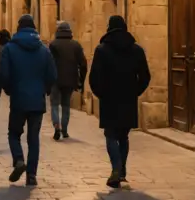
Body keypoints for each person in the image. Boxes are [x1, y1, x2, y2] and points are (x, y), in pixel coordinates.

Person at [89, 15, 151, 188]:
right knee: (123, 136)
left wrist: (101, 94)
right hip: (128, 99)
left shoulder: (102, 50)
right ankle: (122, 170)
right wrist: (135, 92)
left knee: (110, 135)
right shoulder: (137, 50)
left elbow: (94, 78)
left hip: (109, 99)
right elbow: (145, 76)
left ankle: (116, 169)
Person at [0, 14, 57, 187]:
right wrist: (44, 90)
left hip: (18, 99)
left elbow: (4, 74)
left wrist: (9, 90)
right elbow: (52, 75)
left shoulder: (9, 48)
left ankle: (18, 160)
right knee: (34, 138)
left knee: (14, 133)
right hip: (37, 101)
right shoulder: (44, 49)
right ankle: (31, 175)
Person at [49, 21, 87, 141]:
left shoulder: (53, 44)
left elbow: (48, 63)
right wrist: (81, 80)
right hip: (70, 79)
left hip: (55, 79)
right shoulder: (76, 45)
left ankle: (56, 125)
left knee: (54, 104)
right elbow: (83, 64)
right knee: (66, 105)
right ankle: (64, 130)